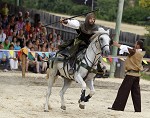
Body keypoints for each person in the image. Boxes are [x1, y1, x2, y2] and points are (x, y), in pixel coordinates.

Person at [108, 40, 145, 112]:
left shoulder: (133, 51)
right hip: (137, 75)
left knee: (123, 91)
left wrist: (116, 44)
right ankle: (138, 109)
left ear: (138, 45)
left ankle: (118, 107)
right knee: (136, 93)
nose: (134, 44)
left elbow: (125, 48)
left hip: (130, 75)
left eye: (135, 43)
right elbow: (128, 48)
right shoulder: (141, 52)